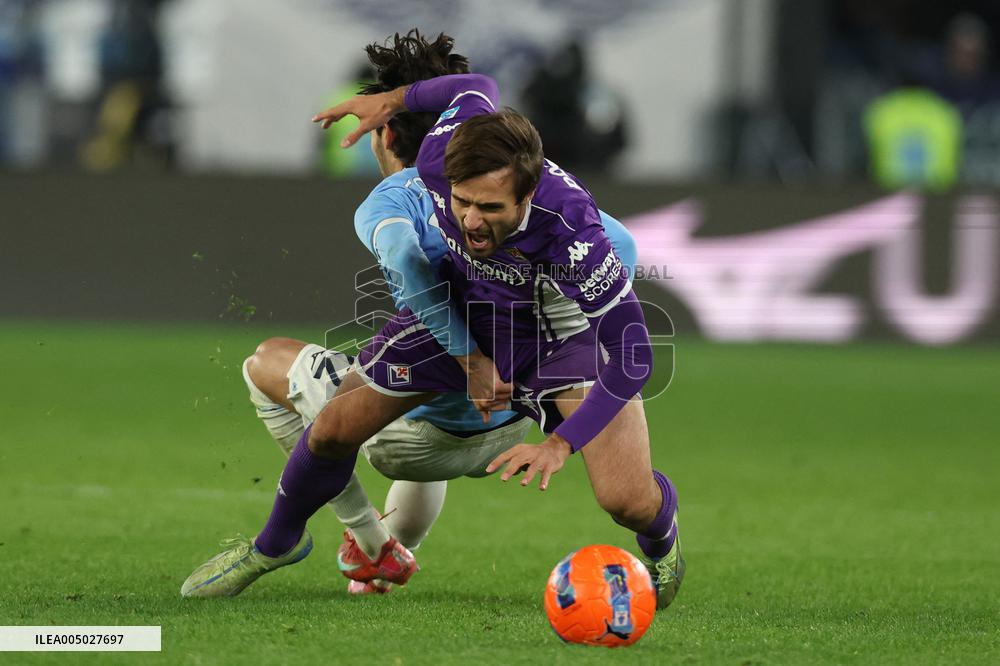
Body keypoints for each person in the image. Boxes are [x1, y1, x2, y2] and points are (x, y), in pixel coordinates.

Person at [181, 31, 638, 598]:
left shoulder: (398, 196)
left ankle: (362, 540)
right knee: (417, 384)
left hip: (418, 435)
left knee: (268, 364)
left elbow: (403, 256)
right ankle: (389, 556)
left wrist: (470, 355)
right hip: (514, 424)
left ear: (384, 134)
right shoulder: (531, 196)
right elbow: (617, 244)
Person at [308, 67, 684, 609]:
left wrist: (560, 443)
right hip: (496, 320)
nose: (471, 221)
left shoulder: (576, 237)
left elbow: (634, 356)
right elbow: (475, 87)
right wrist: (390, 100)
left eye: (490, 209)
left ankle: (664, 539)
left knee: (626, 499)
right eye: (464, 204)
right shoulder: (440, 164)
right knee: (342, 420)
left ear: (527, 195)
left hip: (567, 329)